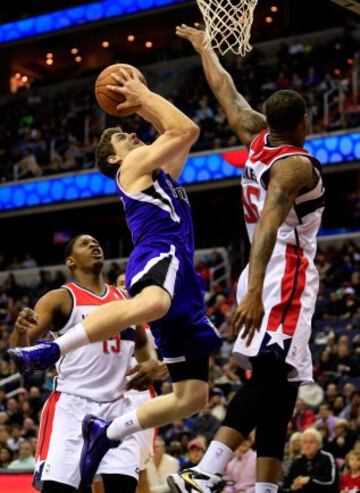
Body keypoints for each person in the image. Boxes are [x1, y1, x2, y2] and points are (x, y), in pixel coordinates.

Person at [9, 70, 222, 485]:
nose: (134, 137)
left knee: (194, 397)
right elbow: (187, 127)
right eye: (124, 138)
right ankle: (51, 352)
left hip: (184, 277)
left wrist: (145, 105)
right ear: (113, 159)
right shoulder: (133, 169)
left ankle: (109, 432)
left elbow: (176, 134)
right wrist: (142, 97)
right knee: (153, 303)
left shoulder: (162, 175)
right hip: (157, 254)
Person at [169, 24, 325, 493]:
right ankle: (206, 471)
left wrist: (205, 50)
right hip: (283, 270)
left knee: (284, 385)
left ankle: (264, 488)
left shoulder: (257, 136)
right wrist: (256, 292)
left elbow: (227, 91)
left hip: (267, 270)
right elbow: (272, 230)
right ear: (305, 122)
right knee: (273, 376)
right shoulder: (295, 165)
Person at [10, 234, 160, 493]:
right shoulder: (60, 298)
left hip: (118, 407)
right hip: (71, 407)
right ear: (70, 261)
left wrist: (150, 364)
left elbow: (142, 342)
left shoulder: (126, 301)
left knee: (122, 487)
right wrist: (21, 330)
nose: (94, 245)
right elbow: (22, 354)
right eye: (84, 243)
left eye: (96, 243)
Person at [281, 428, 338, 492]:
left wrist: (309, 480)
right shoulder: (297, 462)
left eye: (311, 442)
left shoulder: (327, 457)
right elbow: (286, 486)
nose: (307, 445)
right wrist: (292, 488)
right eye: (305, 442)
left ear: (319, 445)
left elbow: (331, 481)